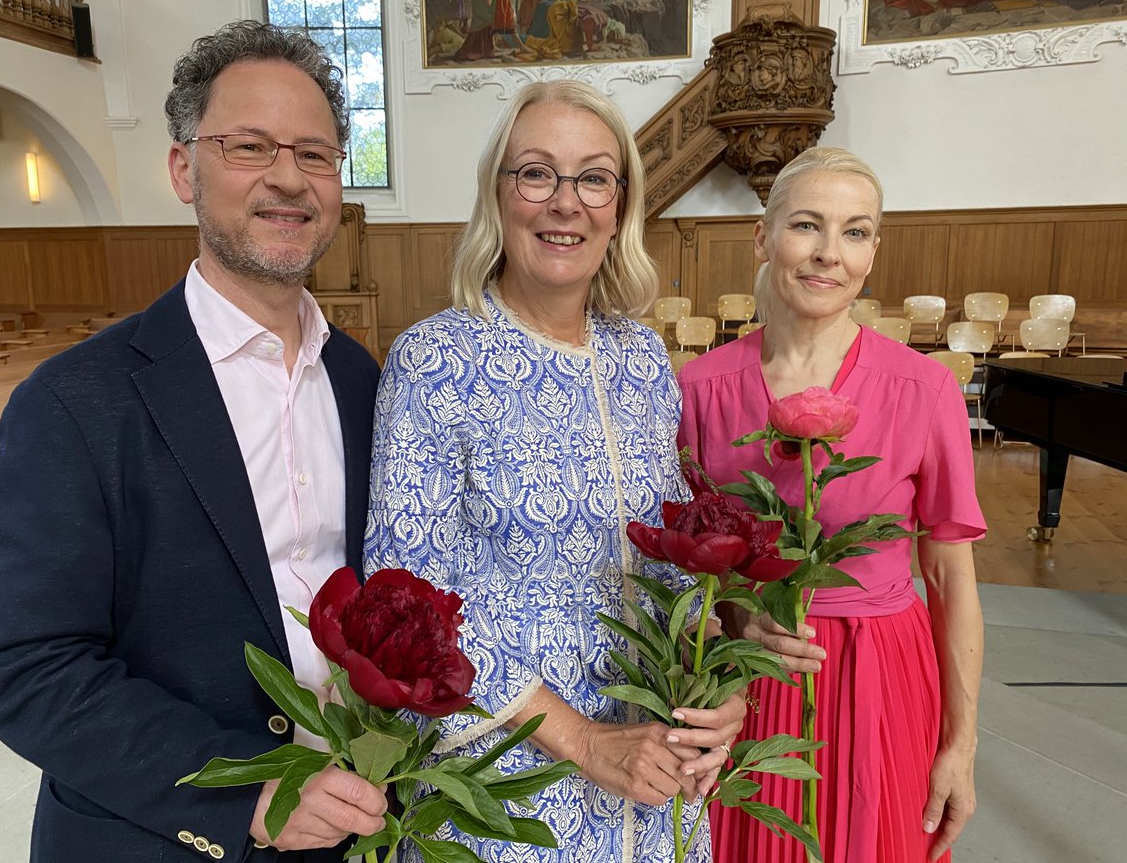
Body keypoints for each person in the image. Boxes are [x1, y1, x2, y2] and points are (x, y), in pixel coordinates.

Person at [0, 21, 386, 862]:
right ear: (183, 168)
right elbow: (26, 665)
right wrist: (247, 791)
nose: (287, 179)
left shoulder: (360, 378)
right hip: (165, 831)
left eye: (315, 153)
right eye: (249, 146)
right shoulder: (75, 400)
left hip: (354, 820)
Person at [364, 80, 746, 862]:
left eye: (594, 177)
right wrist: (585, 741)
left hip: (654, 757)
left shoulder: (640, 357)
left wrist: (718, 687)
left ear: (620, 206)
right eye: (536, 173)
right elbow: (409, 600)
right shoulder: (436, 361)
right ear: (498, 196)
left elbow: (676, 556)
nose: (565, 202)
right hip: (509, 774)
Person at [678, 147, 985, 863]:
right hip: (748, 680)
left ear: (874, 251)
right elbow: (683, 565)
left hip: (885, 669)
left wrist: (962, 746)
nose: (828, 255)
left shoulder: (923, 390)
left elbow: (950, 578)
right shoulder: (700, 389)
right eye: (806, 226)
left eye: (855, 232)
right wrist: (735, 616)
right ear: (763, 237)